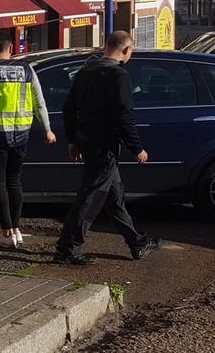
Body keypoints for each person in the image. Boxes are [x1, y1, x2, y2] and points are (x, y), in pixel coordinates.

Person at [54, 31, 162, 266]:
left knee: (114, 197)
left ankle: (137, 242)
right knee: (90, 198)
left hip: (87, 141)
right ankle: (68, 249)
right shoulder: (117, 76)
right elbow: (124, 116)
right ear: (126, 50)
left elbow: (69, 108)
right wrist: (137, 148)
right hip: (105, 147)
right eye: (131, 51)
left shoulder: (85, 71)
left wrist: (73, 140)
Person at [0, 31, 55, 248]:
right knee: (14, 181)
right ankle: (17, 227)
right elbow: (39, 103)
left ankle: (7, 229)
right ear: (11, 49)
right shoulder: (27, 70)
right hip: (20, 134)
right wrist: (48, 130)